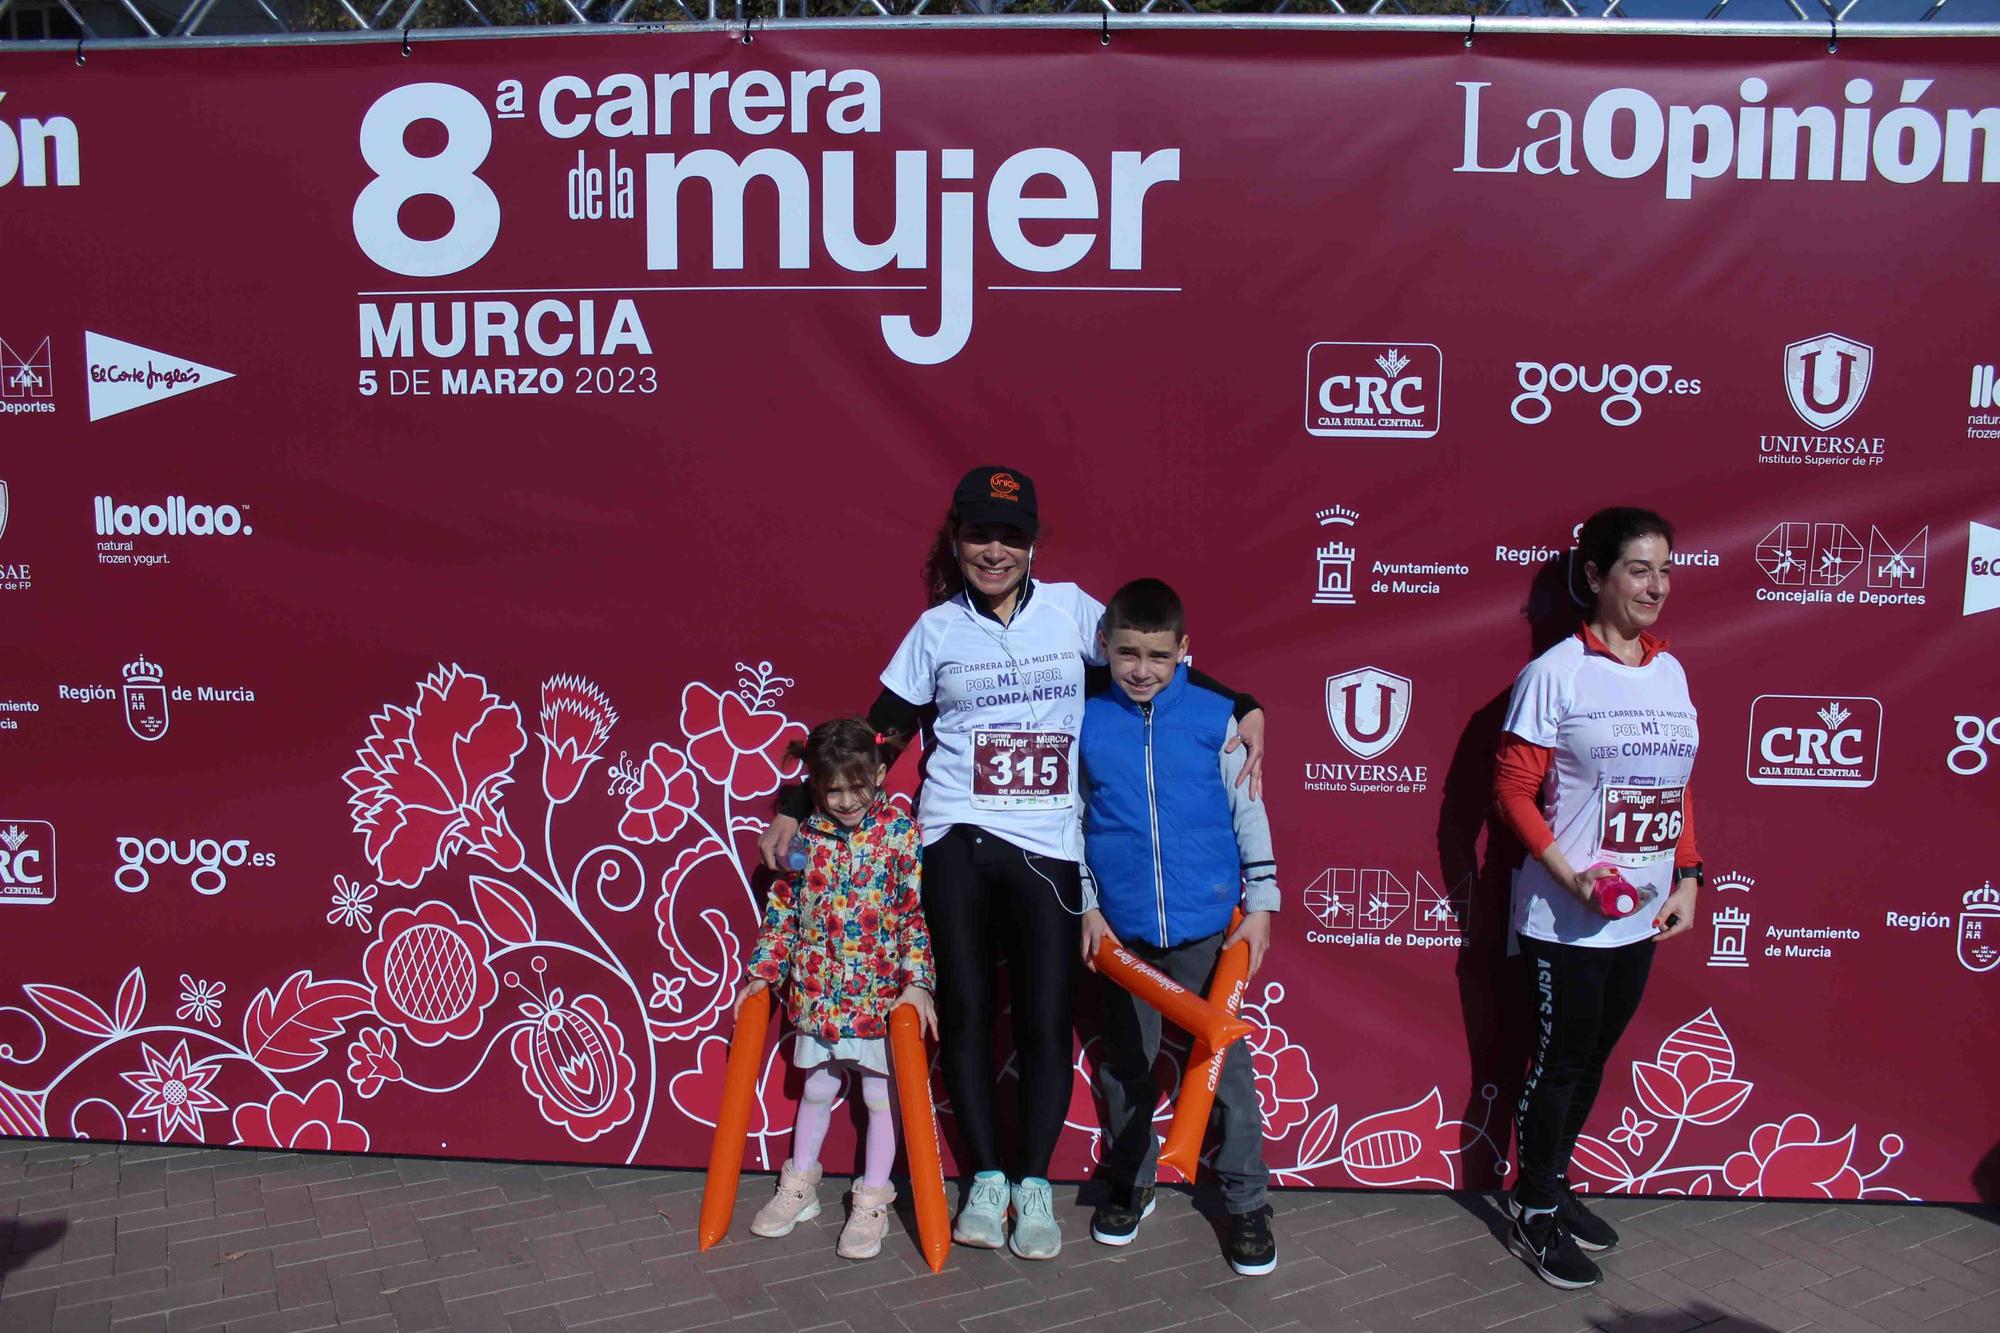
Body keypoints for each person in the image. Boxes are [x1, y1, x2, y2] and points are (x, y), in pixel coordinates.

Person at [757, 465, 1266, 1260]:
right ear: (956, 539)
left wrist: (1240, 702)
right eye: (979, 534)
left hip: (1048, 842)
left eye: (1012, 535)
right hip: (956, 835)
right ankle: (985, 1178)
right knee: (962, 1010)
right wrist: (796, 800)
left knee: (1041, 1017)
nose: (994, 550)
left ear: (1033, 543)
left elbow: (1151, 659)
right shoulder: (936, 630)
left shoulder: (1071, 613)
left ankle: (1032, 1184)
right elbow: (878, 736)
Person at [1491, 506, 1703, 1290]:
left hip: (1642, 914)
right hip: (1568, 916)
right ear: (1596, 576)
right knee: (1559, 1064)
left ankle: (1549, 1184)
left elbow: (1677, 787)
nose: (1656, 585)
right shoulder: (1556, 673)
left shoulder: (1672, 672)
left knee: (1593, 1061)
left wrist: (1687, 875)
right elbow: (1512, 790)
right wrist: (1567, 870)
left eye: (1666, 569)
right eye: (1639, 568)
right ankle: (1535, 1212)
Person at [1075, 578, 1281, 1277]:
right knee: (1127, 1064)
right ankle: (1132, 1183)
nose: (1141, 668)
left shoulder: (1217, 715)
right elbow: (1070, 822)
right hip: (1123, 931)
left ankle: (1247, 1199)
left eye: (1158, 655)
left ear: (1185, 652)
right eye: (1127, 651)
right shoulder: (1084, 719)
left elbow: (1248, 806)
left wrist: (1262, 901)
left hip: (1205, 929)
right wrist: (1087, 905)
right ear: (1103, 646)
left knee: (1223, 1070)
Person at [737, 719, 938, 1261]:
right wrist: (764, 970)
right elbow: (782, 913)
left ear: (878, 774)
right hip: (819, 994)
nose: (846, 801)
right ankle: (799, 1185)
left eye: (857, 787)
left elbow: (915, 916)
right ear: (814, 787)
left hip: (878, 997)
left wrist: (917, 983)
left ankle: (872, 1198)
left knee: (879, 1096)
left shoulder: (900, 833)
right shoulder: (804, 838)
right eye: (832, 791)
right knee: (818, 1091)